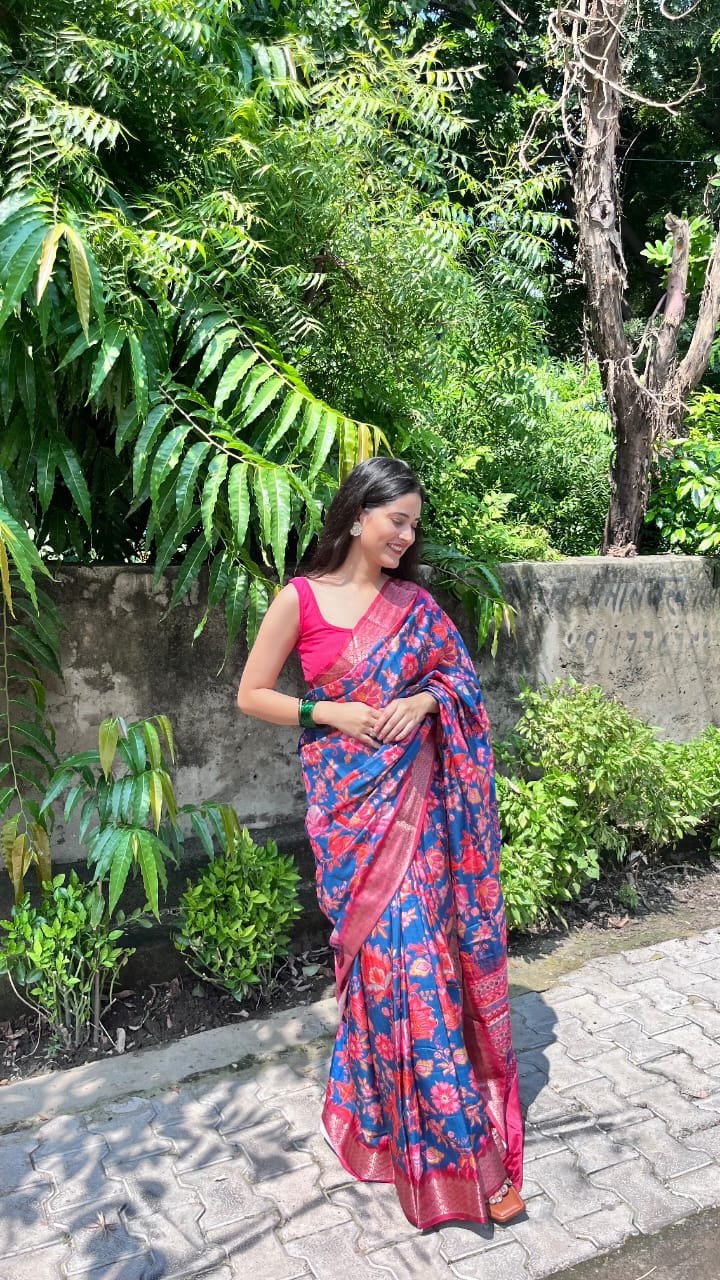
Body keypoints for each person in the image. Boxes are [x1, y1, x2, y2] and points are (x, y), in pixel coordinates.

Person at [237, 457, 524, 1229]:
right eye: (397, 519)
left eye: (413, 525)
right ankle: (383, 1124)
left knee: (418, 970)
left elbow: (460, 683)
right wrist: (327, 715)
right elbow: (251, 693)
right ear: (358, 513)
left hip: (419, 819)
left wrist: (425, 698)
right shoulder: (299, 600)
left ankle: (468, 1163)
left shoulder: (417, 607)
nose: (406, 535)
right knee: (384, 971)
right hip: (349, 817)